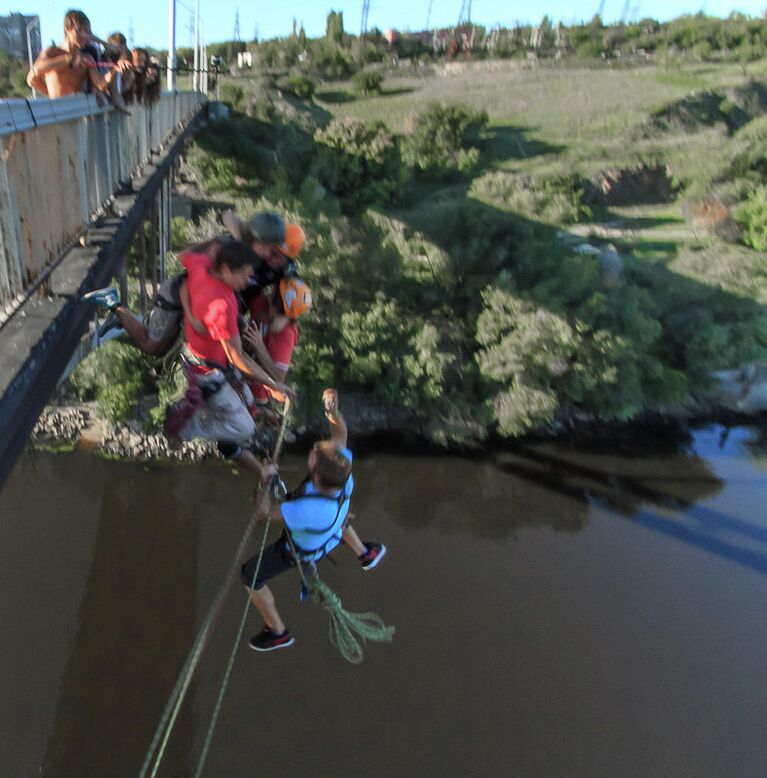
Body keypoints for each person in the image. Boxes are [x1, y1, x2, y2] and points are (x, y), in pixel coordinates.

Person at [241, 389, 386, 653]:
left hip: (300, 548)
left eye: (314, 455)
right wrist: (332, 412)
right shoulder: (342, 471)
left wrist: (265, 477)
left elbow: (263, 513)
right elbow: (340, 434)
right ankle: (364, 553)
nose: (314, 450)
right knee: (339, 520)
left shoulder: (306, 509)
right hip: (330, 528)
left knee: (250, 575)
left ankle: (277, 631)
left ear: (316, 478)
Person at [167, 240, 292, 482]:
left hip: (200, 361)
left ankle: (195, 412)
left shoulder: (201, 265)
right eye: (244, 275)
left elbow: (184, 254)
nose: (248, 282)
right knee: (245, 428)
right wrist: (273, 384)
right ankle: (184, 426)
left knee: (247, 402)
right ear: (225, 271)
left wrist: (187, 299)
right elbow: (238, 357)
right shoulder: (221, 305)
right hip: (207, 372)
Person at [27, 10, 129, 99]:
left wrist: (114, 70)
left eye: (87, 31)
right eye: (79, 30)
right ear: (67, 30)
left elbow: (99, 84)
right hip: (56, 113)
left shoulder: (87, 57)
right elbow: (33, 76)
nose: (84, 35)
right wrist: (68, 59)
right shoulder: (52, 52)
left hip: (77, 112)